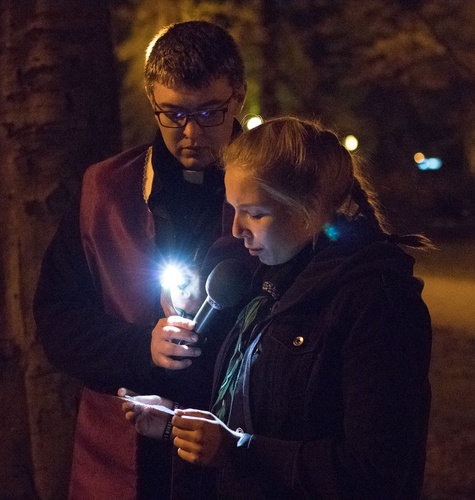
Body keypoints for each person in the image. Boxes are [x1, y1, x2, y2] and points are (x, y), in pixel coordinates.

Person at [120, 117, 434, 499]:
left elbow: (376, 474)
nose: (236, 229)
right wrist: (176, 422)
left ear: (309, 208)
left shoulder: (378, 302)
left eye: (254, 213)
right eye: (232, 208)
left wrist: (236, 451)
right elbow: (261, 412)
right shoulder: (268, 282)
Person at [34, 20, 254, 499]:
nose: (191, 133)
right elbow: (59, 319)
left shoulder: (276, 188)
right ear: (151, 101)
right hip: (123, 460)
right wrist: (142, 350)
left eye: (209, 113)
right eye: (172, 115)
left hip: (241, 453)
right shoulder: (105, 190)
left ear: (239, 96)